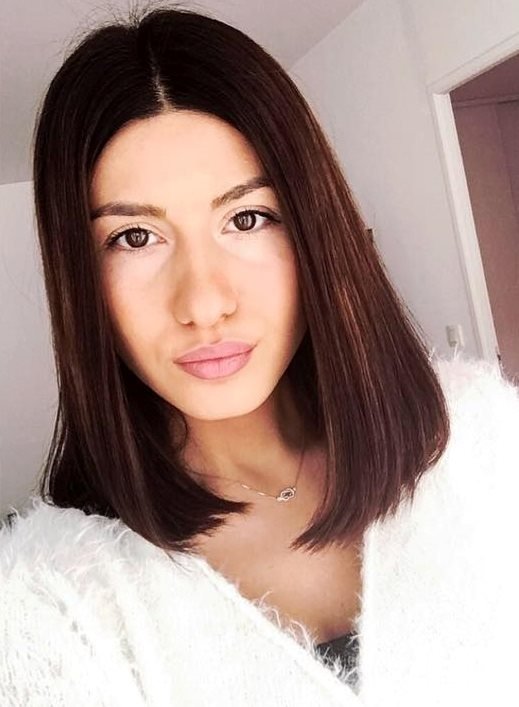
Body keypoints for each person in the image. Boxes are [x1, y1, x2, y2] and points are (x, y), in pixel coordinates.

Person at [1, 5, 518, 706]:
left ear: (314, 230)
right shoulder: (52, 599)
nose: (204, 301)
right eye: (134, 237)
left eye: (246, 218)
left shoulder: (481, 437)